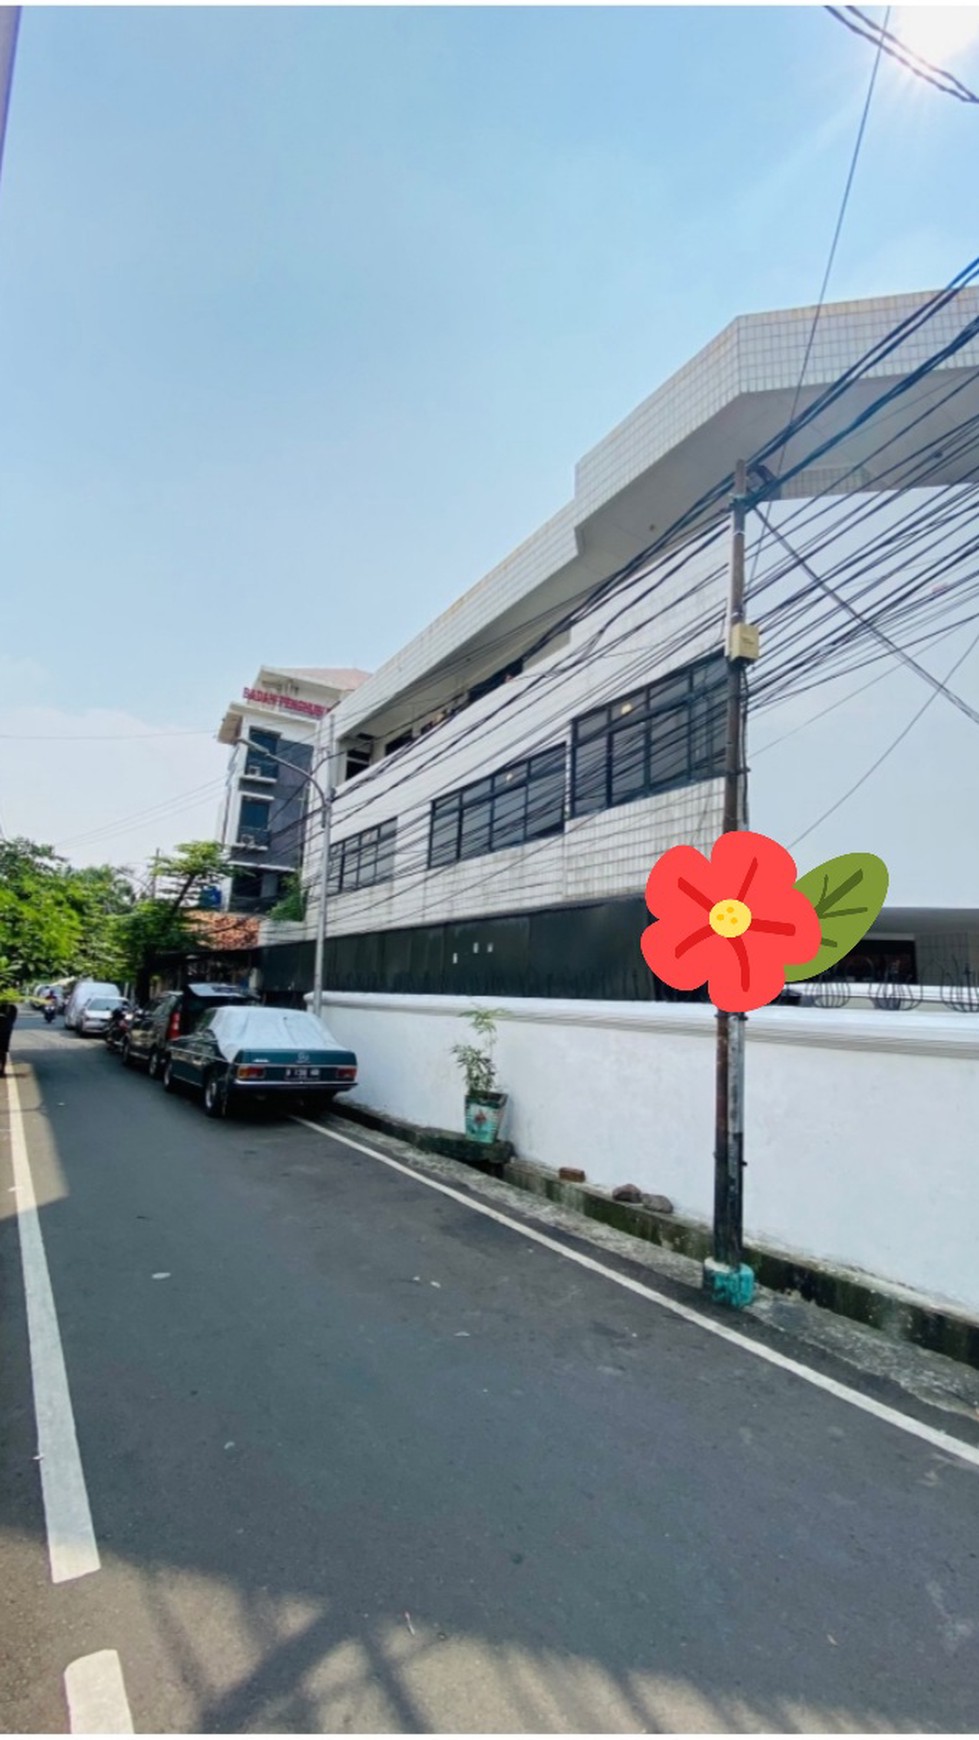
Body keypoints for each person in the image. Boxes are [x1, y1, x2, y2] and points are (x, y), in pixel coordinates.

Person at [0, 997, 18, 1076]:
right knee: (3, 1050)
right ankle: (2, 1070)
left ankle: (2, 1070)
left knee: (2, 1050)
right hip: (6, 1030)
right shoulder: (12, 1008)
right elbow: (12, 1021)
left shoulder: (11, 1008)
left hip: (5, 1030)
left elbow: (11, 1020)